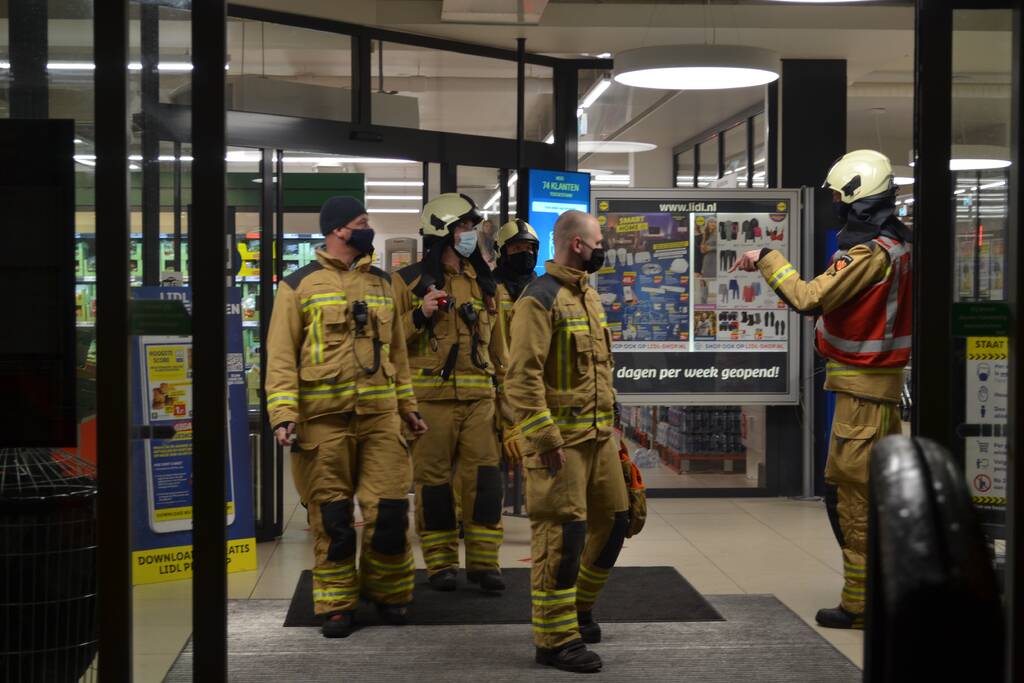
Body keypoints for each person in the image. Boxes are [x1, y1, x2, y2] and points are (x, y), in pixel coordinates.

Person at [732, 149, 912, 630]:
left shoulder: (869, 255)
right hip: (877, 390)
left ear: (858, 201)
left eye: (838, 197)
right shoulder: (900, 245)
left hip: (863, 394)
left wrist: (767, 258)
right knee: (867, 494)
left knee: (851, 498)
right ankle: (880, 593)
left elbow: (808, 298)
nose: (835, 205)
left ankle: (860, 605)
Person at [265, 196, 427, 639]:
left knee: (391, 511)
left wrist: (408, 408)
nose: (367, 228)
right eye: (361, 222)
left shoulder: (383, 283)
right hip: (323, 423)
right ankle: (336, 603)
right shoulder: (298, 286)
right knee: (333, 520)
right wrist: (283, 414)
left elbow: (398, 353)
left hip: (380, 419)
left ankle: (390, 593)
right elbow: (280, 358)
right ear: (338, 230)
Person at [504, 209, 629, 673]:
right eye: (598, 241)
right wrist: (542, 436)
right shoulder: (539, 298)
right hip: (561, 445)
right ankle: (555, 639)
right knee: (562, 534)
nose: (602, 248)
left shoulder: (588, 296)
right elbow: (521, 378)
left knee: (617, 520)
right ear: (577, 244)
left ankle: (578, 610)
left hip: (598, 438)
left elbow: (597, 370)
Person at [392, 193, 509, 594]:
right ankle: (440, 563)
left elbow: (500, 350)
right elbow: (391, 343)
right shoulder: (407, 282)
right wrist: (419, 314)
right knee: (434, 483)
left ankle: (484, 563)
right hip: (431, 401)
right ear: (442, 233)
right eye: (464, 227)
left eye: (473, 227)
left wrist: (509, 404)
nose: (471, 234)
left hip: (480, 400)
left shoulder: (486, 283)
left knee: (486, 482)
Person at [493, 218, 540, 346]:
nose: (524, 253)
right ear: (502, 252)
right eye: (517, 248)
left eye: (529, 248)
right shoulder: (491, 289)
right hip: (500, 365)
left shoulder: (542, 290)